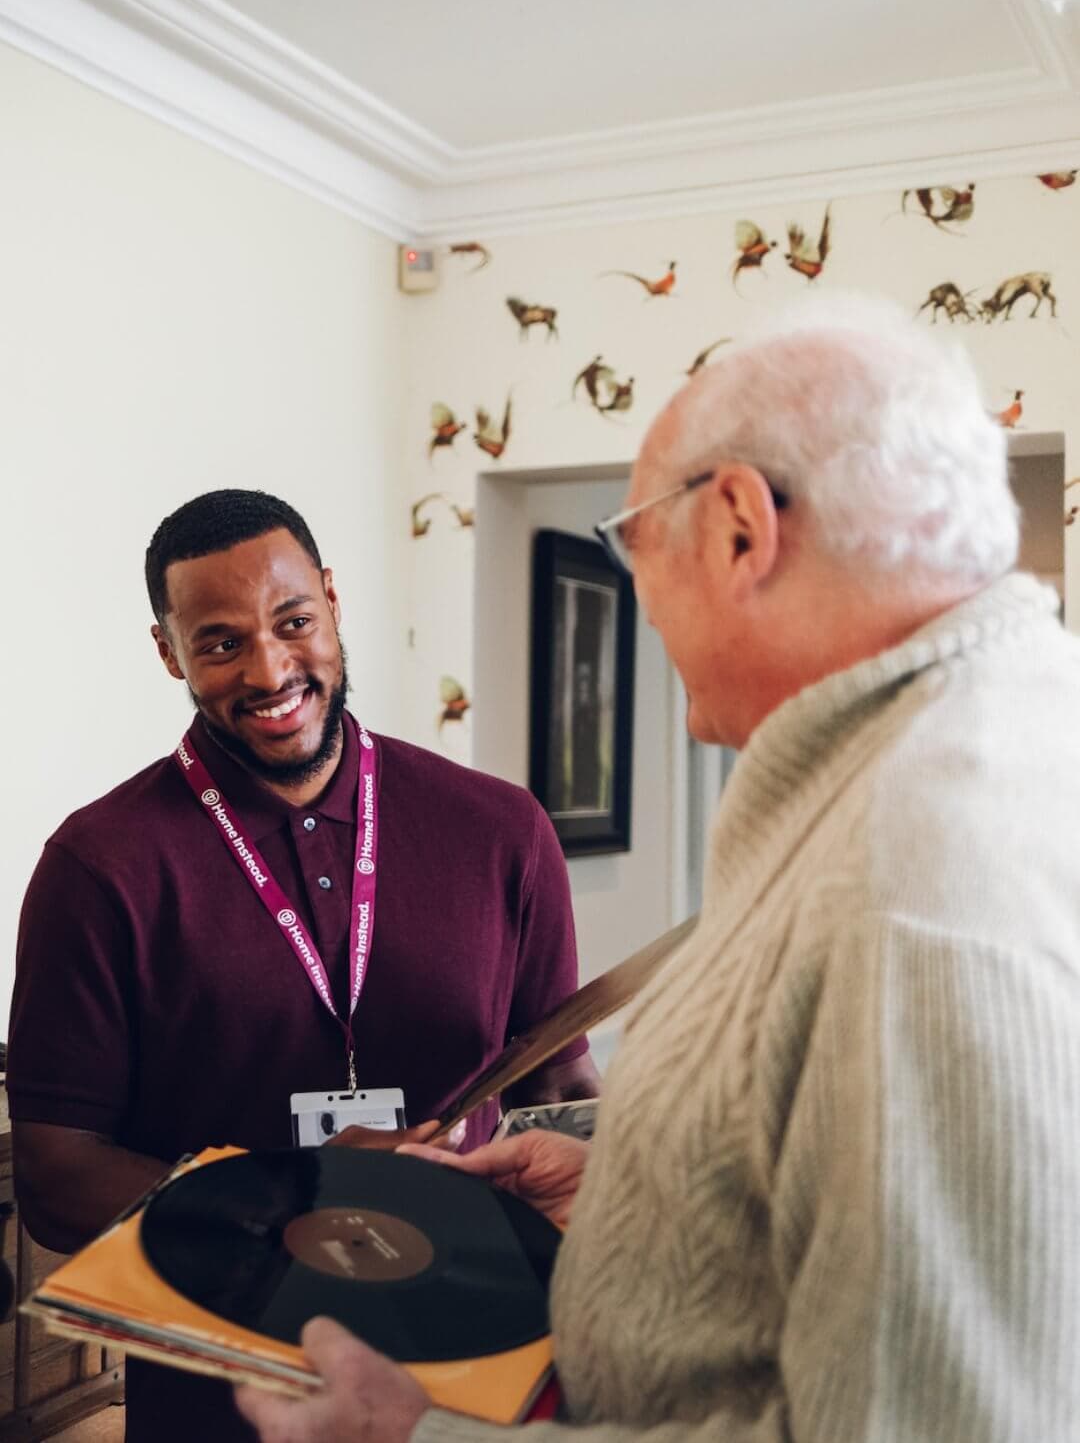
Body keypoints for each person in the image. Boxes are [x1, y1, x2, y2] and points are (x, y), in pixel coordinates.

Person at [238, 295, 1080, 1443]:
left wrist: (416, 1438)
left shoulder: (922, 882)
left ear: (738, 527)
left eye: (633, 542)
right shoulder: (950, 766)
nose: (638, 593)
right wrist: (648, 1200)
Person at [6, 488, 598, 1443]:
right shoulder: (97, 865)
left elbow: (561, 1087)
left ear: (330, 598)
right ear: (169, 652)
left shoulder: (502, 830)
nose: (271, 669)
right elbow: (55, 1176)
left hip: (478, 1387)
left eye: (293, 622)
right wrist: (294, 1198)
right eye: (221, 642)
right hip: (218, 1402)